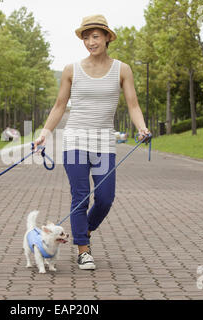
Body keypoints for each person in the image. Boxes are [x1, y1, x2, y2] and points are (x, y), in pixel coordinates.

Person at [32, 14, 151, 270]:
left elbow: (133, 105)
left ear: (107, 37)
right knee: (80, 197)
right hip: (75, 141)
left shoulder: (122, 69)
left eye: (95, 36)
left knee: (106, 198)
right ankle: (83, 250)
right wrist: (44, 133)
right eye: (86, 37)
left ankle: (81, 229)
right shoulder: (71, 69)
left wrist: (141, 127)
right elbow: (59, 106)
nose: (90, 41)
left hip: (104, 144)